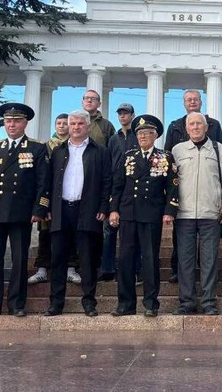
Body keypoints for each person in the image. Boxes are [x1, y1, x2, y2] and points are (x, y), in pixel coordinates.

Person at [0, 103, 50, 318]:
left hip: (21, 212)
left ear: (25, 123)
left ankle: (17, 304)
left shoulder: (36, 148)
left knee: (19, 260)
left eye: (17, 121)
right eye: (8, 121)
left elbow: (42, 182)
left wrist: (39, 208)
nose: (12, 125)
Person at [108, 114, 178, 317]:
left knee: (150, 259)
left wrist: (169, 211)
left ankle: (150, 303)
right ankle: (125, 304)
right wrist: (113, 209)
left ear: (155, 135)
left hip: (151, 214)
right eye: (139, 133)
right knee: (126, 259)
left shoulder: (165, 157)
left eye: (147, 133)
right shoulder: (128, 156)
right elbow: (117, 184)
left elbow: (173, 186)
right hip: (128, 213)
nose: (143, 137)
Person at [46, 110, 112, 317]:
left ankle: (89, 302)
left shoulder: (100, 151)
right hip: (61, 210)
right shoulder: (58, 151)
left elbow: (107, 181)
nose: (75, 127)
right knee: (58, 258)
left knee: (88, 259)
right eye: (72, 123)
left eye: (80, 124)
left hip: (88, 211)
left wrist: (104, 207)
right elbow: (48, 182)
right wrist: (46, 207)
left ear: (88, 126)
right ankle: (56, 303)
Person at [170, 111, 222, 315]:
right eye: (192, 124)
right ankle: (186, 302)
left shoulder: (218, 149)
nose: (195, 127)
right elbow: (171, 183)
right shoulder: (177, 150)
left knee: (209, 260)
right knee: (185, 261)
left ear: (207, 127)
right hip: (184, 214)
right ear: (186, 128)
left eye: (199, 124)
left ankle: (208, 302)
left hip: (210, 213)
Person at [163, 90, 222, 284]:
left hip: (208, 205)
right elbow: (169, 166)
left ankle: (209, 299)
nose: (192, 102)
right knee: (183, 252)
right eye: (188, 100)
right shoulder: (175, 128)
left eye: (195, 99)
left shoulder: (214, 127)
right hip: (184, 206)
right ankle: (179, 278)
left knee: (208, 256)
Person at [30, 113, 80, 287]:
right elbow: (43, 175)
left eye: (64, 123)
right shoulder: (46, 147)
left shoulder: (75, 146)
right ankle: (42, 268)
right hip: (49, 197)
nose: (61, 126)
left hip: (69, 197)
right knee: (45, 234)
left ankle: (71, 267)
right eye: (58, 123)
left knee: (71, 234)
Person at [102, 103, 138, 283]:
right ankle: (107, 268)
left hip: (132, 185)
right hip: (114, 185)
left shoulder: (137, 136)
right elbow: (108, 162)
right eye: (120, 113)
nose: (122, 116)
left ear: (132, 115)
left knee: (132, 232)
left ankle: (135, 268)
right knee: (109, 230)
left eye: (126, 113)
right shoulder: (114, 138)